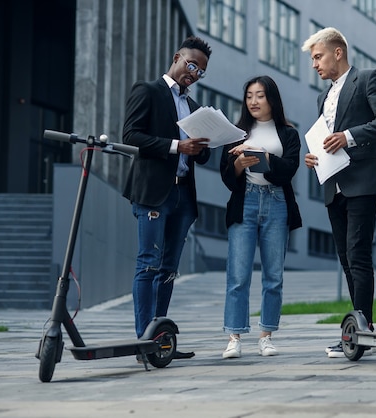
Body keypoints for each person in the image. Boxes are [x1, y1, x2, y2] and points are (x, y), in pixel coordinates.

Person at [301, 27, 376, 358]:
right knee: (346, 257)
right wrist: (313, 157)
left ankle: (363, 330)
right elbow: (326, 139)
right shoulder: (322, 97)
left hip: (362, 182)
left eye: (318, 57)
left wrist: (349, 136)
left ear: (338, 52)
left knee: (357, 253)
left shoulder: (368, 78)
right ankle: (358, 328)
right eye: (313, 59)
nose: (314, 65)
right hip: (333, 185)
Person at [122, 36, 212, 359]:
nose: (194, 74)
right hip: (154, 192)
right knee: (148, 264)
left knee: (169, 269)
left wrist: (204, 145)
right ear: (177, 57)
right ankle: (143, 341)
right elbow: (131, 135)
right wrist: (178, 146)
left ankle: (160, 340)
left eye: (201, 72)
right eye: (192, 66)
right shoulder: (147, 90)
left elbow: (200, 158)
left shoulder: (195, 108)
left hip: (183, 195)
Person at [220, 75, 302, 359]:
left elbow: (288, 171)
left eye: (260, 95)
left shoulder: (289, 134)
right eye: (249, 96)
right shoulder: (236, 132)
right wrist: (240, 165)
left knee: (274, 276)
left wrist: (260, 154)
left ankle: (266, 335)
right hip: (246, 201)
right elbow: (228, 178)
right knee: (238, 274)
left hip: (277, 201)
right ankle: (234, 336)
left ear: (272, 99)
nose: (253, 101)